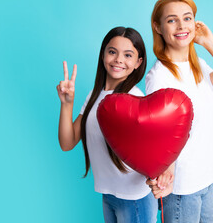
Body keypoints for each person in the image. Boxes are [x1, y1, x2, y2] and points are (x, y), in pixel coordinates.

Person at [145, 0, 213, 223]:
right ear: (158, 27)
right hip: (181, 189)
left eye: (187, 17)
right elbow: (156, 137)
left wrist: (211, 44)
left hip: (206, 181)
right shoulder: (159, 77)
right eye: (172, 20)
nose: (182, 25)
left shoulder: (198, 65)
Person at [57, 27, 157, 223]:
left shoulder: (136, 99)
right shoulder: (95, 95)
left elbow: (154, 147)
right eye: (112, 52)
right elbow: (67, 143)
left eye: (128, 55)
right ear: (103, 55)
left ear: (138, 63)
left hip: (134, 198)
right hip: (109, 195)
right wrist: (67, 104)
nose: (119, 59)